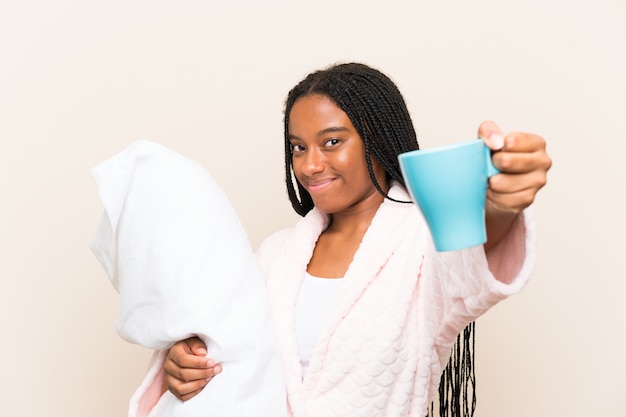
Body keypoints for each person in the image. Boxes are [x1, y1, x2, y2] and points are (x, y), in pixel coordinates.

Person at [134, 62, 552, 417]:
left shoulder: (422, 243)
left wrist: (501, 202)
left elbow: (471, 259)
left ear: (377, 139)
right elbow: (231, 355)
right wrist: (182, 365)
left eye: (332, 142)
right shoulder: (275, 255)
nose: (310, 165)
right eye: (298, 147)